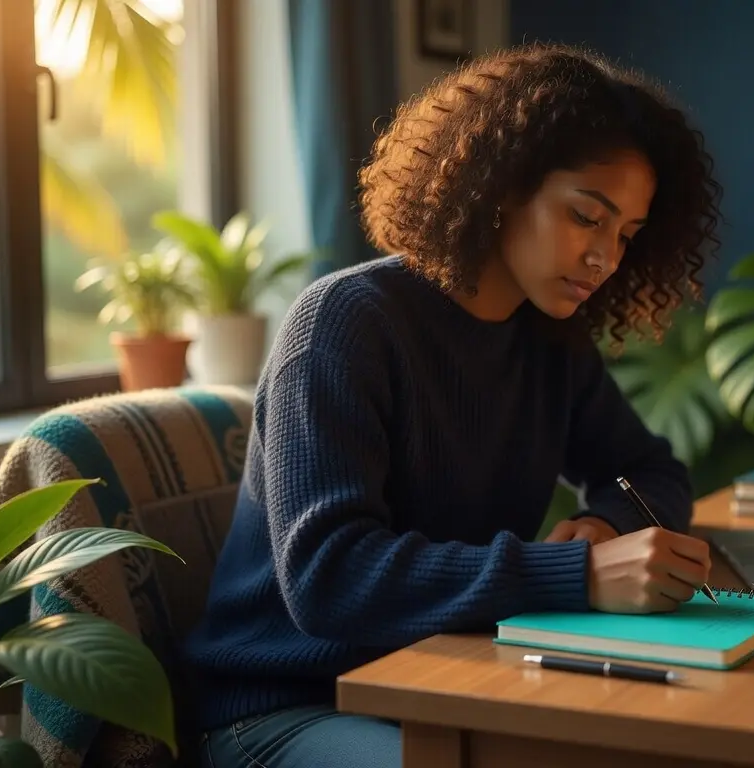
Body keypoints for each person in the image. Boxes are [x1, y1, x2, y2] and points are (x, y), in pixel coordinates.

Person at [185, 41, 724, 768]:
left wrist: (602, 524)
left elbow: (648, 471)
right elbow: (329, 579)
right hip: (288, 707)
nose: (606, 257)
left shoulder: (548, 340)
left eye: (626, 235)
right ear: (503, 187)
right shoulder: (346, 323)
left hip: (442, 676)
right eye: (586, 217)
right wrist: (578, 575)